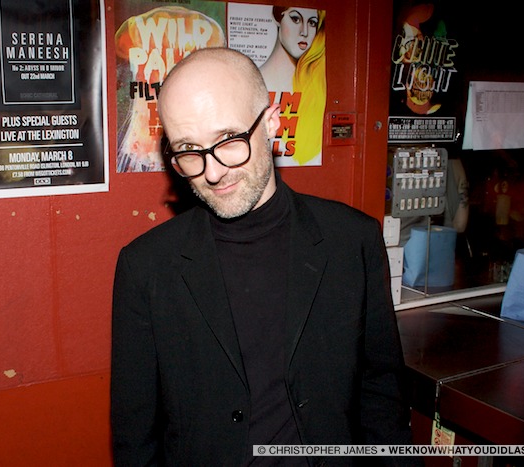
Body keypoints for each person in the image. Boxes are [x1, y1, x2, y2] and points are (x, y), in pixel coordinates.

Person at [111, 47, 419, 466]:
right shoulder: (146, 267)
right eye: (188, 149)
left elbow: (382, 397)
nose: (212, 172)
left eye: (228, 140)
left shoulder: (352, 240)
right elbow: (135, 438)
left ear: (272, 123)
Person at [259, 6, 326, 166]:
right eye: (295, 19)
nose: (304, 32)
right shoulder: (254, 82)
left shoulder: (317, 86)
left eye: (312, 23)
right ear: (278, 17)